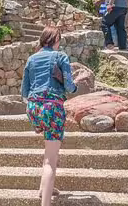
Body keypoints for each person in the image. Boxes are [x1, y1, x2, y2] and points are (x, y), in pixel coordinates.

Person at [21, 26, 77, 205]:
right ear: (55, 40)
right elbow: (69, 86)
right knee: (50, 160)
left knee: (49, 151)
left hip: (33, 108)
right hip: (52, 108)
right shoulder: (60, 57)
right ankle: (45, 203)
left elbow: (24, 91)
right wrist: (75, 88)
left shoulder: (31, 59)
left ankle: (44, 188)